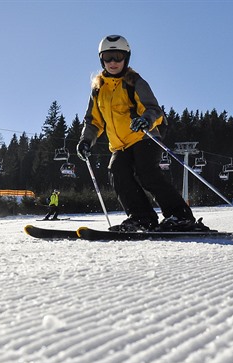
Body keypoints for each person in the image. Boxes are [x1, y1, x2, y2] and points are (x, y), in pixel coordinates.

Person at [76, 35, 207, 232]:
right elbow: (93, 121)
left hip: (143, 136)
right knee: (117, 172)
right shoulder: (98, 88)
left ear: (126, 58)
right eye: (108, 57)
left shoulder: (134, 82)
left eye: (118, 56)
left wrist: (145, 119)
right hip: (120, 145)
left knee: (146, 172)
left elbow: (153, 109)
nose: (113, 62)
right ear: (101, 59)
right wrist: (86, 140)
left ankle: (180, 216)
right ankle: (142, 218)